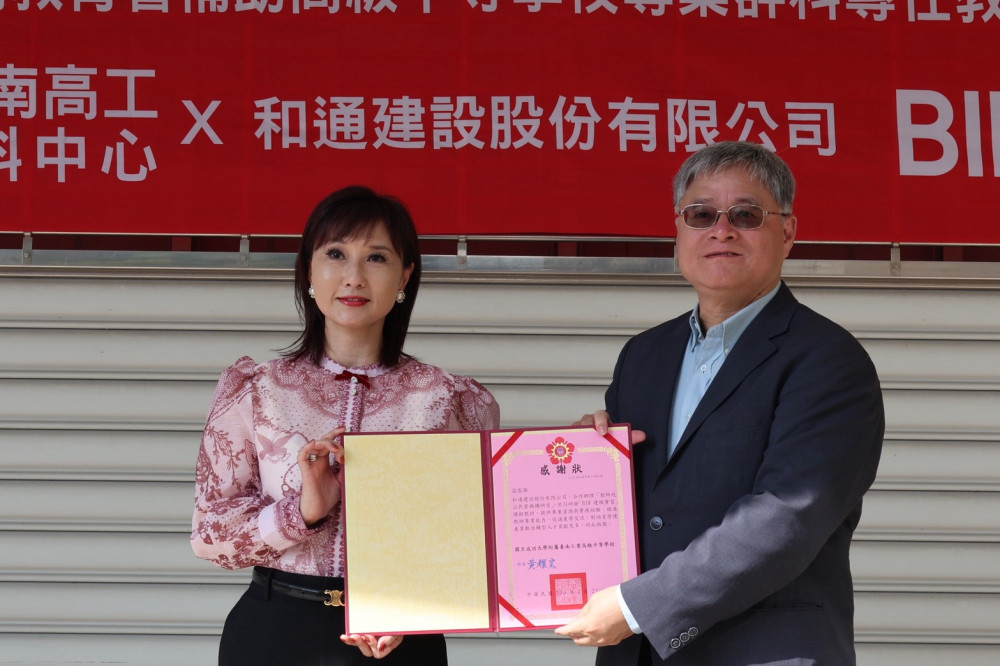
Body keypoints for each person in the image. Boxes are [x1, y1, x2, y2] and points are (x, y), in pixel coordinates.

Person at [555, 141, 884, 665]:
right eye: (702, 214)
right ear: (679, 231)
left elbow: (787, 516)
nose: (722, 230)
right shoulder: (643, 356)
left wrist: (639, 606)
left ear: (788, 233)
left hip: (764, 652)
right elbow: (636, 513)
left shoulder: (828, 361)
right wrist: (587, 463)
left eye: (746, 215)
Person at [191, 186, 500, 665]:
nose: (354, 277)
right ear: (308, 271)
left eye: (376, 257)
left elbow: (471, 541)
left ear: (405, 275)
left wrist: (411, 610)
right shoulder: (256, 390)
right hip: (274, 634)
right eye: (335, 254)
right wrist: (303, 511)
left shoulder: (447, 400)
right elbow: (211, 536)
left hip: (398, 640)